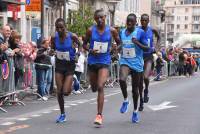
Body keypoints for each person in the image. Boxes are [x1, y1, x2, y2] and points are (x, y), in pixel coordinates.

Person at [83, 9, 120, 126]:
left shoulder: (112, 30)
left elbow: (120, 43)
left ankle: (99, 115)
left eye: (101, 17)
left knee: (100, 86)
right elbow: (83, 44)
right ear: (94, 19)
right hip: (93, 62)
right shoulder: (90, 30)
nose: (99, 20)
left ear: (105, 17)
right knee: (94, 87)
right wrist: (89, 50)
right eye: (97, 18)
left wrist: (114, 51)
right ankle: (94, 87)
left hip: (104, 61)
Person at [118, 13, 149, 123]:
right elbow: (122, 44)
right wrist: (116, 48)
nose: (129, 24)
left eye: (132, 22)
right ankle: (126, 100)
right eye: (128, 21)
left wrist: (137, 42)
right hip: (125, 61)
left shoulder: (140, 32)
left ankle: (135, 111)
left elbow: (147, 48)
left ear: (136, 22)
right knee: (121, 79)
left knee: (135, 90)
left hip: (136, 63)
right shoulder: (122, 32)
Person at [51, 18, 81, 123]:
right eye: (57, 28)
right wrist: (51, 51)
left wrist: (77, 54)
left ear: (65, 27)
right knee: (59, 91)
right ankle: (62, 114)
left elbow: (80, 45)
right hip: (59, 64)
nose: (59, 30)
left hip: (69, 65)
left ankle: (74, 80)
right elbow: (53, 48)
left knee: (66, 92)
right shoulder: (54, 37)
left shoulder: (72, 36)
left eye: (61, 28)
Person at [138, 14, 160, 111]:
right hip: (139, 57)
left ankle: (146, 90)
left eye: (145, 20)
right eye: (142, 20)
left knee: (145, 77)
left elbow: (158, 37)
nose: (143, 22)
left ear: (148, 21)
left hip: (148, 56)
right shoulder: (137, 30)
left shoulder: (152, 30)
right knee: (139, 82)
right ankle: (141, 101)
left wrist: (156, 47)